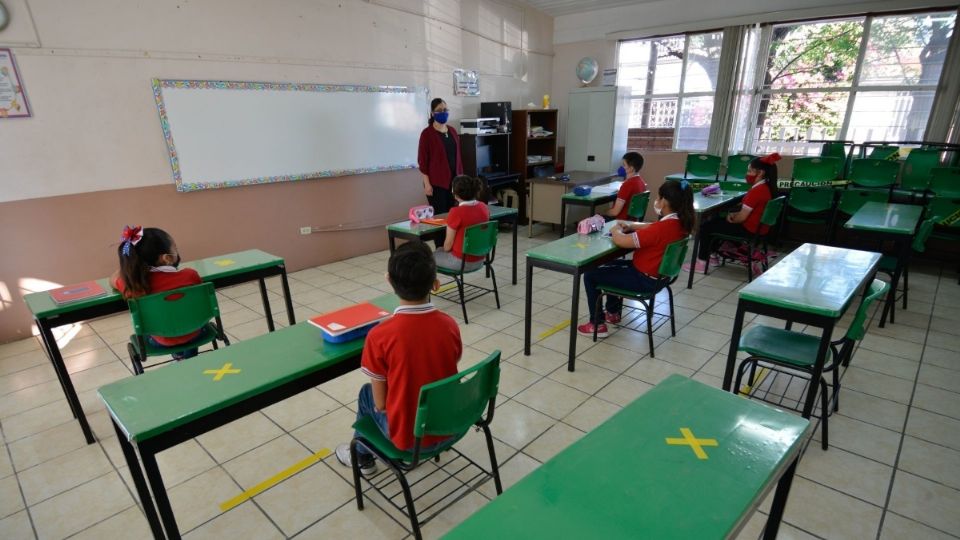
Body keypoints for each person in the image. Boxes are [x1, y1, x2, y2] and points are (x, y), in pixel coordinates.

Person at [335, 241, 462, 476]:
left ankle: (363, 458)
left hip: (409, 439)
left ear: (389, 281)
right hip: (450, 425)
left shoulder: (379, 336)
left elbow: (381, 404)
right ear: (435, 284)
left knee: (367, 394)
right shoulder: (450, 325)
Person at [578, 180, 695, 338]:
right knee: (608, 265)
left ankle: (597, 325)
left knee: (591, 275)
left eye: (659, 198)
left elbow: (621, 241)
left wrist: (615, 230)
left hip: (643, 279)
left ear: (665, 201)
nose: (657, 201)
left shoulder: (661, 229)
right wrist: (632, 226)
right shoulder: (680, 224)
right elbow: (653, 227)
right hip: (661, 278)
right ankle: (612, 312)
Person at [111, 226, 204, 359]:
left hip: (160, 341)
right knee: (186, 318)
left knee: (155, 326)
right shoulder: (190, 275)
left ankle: (179, 356)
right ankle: (188, 358)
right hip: (195, 333)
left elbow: (112, 280)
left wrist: (129, 267)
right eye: (175, 249)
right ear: (167, 258)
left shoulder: (133, 286)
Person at [686, 153, 780, 273]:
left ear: (760, 173)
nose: (747, 174)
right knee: (716, 222)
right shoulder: (768, 188)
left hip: (748, 230)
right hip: (759, 230)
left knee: (706, 227)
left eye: (750, 171)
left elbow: (741, 218)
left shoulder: (757, 191)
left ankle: (702, 262)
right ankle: (713, 256)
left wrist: (731, 217)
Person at [434, 175, 490, 272]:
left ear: (455, 194)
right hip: (480, 259)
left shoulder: (456, 212)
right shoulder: (484, 207)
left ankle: (428, 285)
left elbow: (447, 247)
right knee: (439, 250)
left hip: (461, 262)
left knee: (427, 257)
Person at [418, 98, 463, 215]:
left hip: (455, 182)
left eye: (445, 109)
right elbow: (423, 162)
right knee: (441, 216)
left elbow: (458, 158)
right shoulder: (427, 134)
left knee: (453, 215)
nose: (443, 112)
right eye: (439, 110)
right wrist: (427, 184)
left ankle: (450, 234)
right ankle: (443, 235)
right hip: (437, 184)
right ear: (433, 113)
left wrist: (461, 179)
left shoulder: (452, 131)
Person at [605, 152, 648, 221]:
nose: (622, 167)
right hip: (633, 221)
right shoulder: (641, 182)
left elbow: (615, 212)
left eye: (624, 165)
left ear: (631, 168)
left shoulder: (627, 185)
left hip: (620, 222)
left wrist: (605, 212)